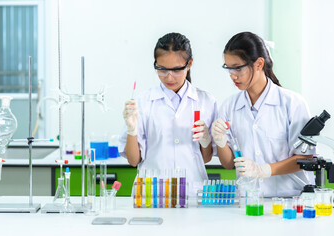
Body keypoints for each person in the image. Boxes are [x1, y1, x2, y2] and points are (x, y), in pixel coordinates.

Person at [211, 31, 315, 197]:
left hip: (291, 199)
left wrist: (263, 170)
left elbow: (305, 157)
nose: (232, 76)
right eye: (229, 69)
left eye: (238, 68)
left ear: (259, 64)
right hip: (250, 199)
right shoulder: (230, 106)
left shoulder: (293, 103)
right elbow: (229, 164)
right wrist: (221, 142)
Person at [119, 32, 218, 196]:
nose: (169, 77)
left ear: (189, 64)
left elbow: (205, 158)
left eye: (177, 69)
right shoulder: (142, 102)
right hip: (152, 193)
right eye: (162, 69)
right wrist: (132, 131)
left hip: (192, 192)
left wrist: (206, 140)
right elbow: (133, 160)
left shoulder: (206, 101)